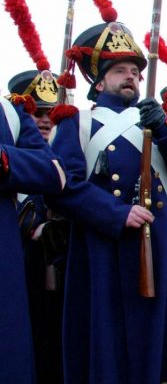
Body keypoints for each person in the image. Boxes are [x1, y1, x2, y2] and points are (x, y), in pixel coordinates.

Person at [46, 20, 167, 384]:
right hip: (102, 246)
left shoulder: (158, 121)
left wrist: (164, 130)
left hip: (157, 244)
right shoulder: (79, 124)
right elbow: (62, 187)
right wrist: (116, 214)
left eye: (134, 71)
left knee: (154, 342)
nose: (131, 77)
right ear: (98, 81)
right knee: (108, 344)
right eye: (120, 71)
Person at [0, 89, 66, 383]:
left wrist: (4, 159)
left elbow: (54, 172)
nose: (44, 120)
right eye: (38, 113)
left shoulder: (11, 113)